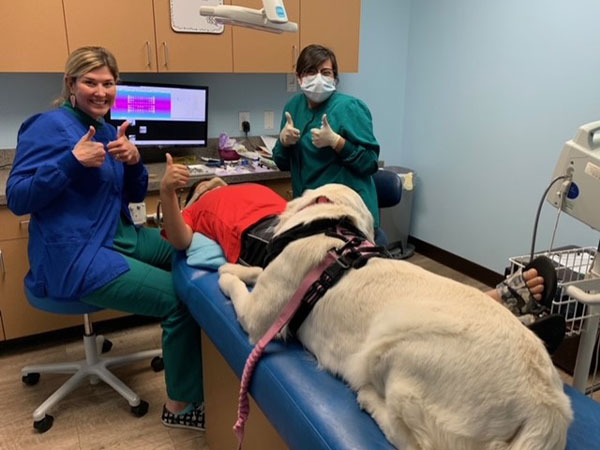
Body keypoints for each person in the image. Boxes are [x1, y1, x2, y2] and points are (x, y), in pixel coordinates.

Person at [6, 47, 205, 431]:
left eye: (108, 83)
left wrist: (133, 161)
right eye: (90, 82)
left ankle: (211, 363)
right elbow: (17, 197)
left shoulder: (112, 130)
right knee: (180, 301)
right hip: (76, 253)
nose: (100, 91)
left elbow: (130, 195)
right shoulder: (46, 126)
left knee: (192, 249)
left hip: (117, 235)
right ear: (70, 84)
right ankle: (182, 406)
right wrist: (69, 162)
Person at [160, 168, 550, 321]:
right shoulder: (203, 205)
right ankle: (488, 305)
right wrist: (172, 196)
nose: (209, 184)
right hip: (284, 233)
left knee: (378, 280)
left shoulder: (239, 188)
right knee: (374, 285)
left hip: (296, 229)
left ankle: (486, 309)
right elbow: (181, 239)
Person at [272, 44, 381, 232]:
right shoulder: (294, 107)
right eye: (311, 71)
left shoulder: (349, 107)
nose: (318, 78)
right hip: (308, 210)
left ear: (335, 78)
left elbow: (370, 163)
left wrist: (337, 142)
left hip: (347, 215)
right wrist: (283, 142)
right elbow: (282, 163)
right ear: (299, 77)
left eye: (326, 72)